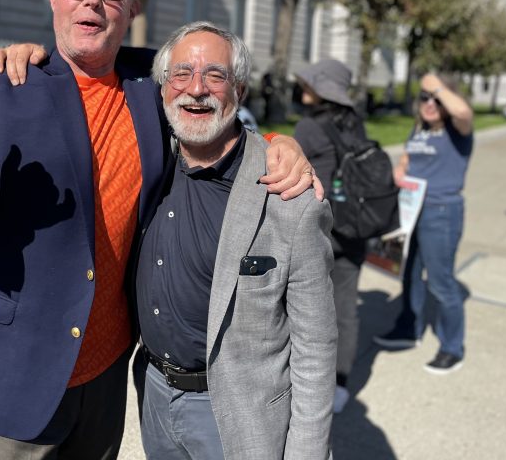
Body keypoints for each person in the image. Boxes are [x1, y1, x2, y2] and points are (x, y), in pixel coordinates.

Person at [0, 0, 318, 458]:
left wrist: (279, 143)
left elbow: (212, 104)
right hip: (14, 380)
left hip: (106, 377)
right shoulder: (1, 88)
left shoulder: (151, 84)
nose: (91, 0)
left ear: (132, 8)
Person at [132, 23, 336, 460]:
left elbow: (315, 348)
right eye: (181, 74)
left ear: (238, 90)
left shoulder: (290, 197)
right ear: (164, 88)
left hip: (236, 416)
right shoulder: (149, 163)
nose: (197, 89)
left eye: (216, 76)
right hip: (153, 392)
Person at [374, 73, 474, 374]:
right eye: (424, 98)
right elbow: (405, 163)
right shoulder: (418, 131)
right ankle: (409, 329)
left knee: (442, 283)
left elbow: (464, 112)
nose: (430, 103)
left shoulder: (457, 129)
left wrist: (436, 86)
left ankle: (452, 347)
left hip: (441, 211)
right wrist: (399, 174)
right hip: (411, 209)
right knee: (409, 274)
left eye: (436, 99)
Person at [292, 58, 368, 414]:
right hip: (355, 227)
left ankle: (308, 378)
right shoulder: (356, 123)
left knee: (306, 310)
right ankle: (340, 383)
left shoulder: (308, 128)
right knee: (345, 309)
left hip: (319, 228)